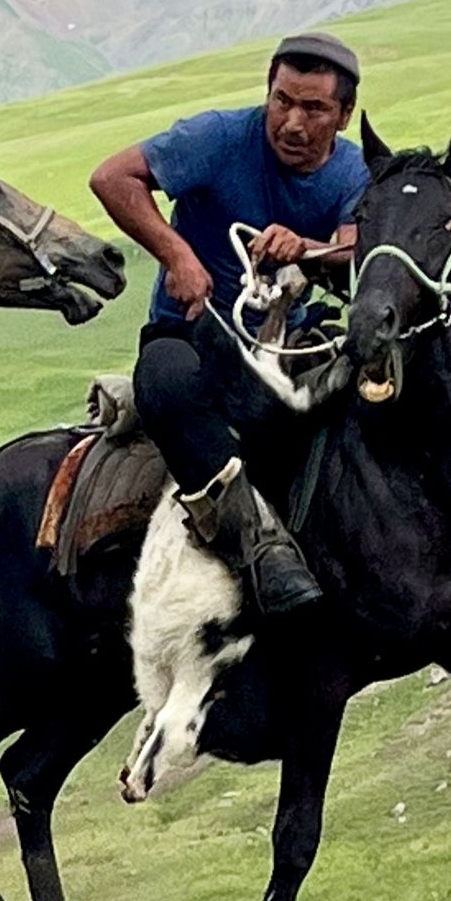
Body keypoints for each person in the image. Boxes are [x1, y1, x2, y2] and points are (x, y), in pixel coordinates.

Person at [88, 32, 370, 623]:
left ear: (344, 115)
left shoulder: (352, 173)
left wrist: (307, 252)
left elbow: (355, 249)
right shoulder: (216, 137)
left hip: (284, 341)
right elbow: (112, 177)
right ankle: (256, 544)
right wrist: (177, 256)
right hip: (192, 334)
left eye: (314, 109)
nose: (292, 123)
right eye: (281, 101)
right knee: (163, 380)